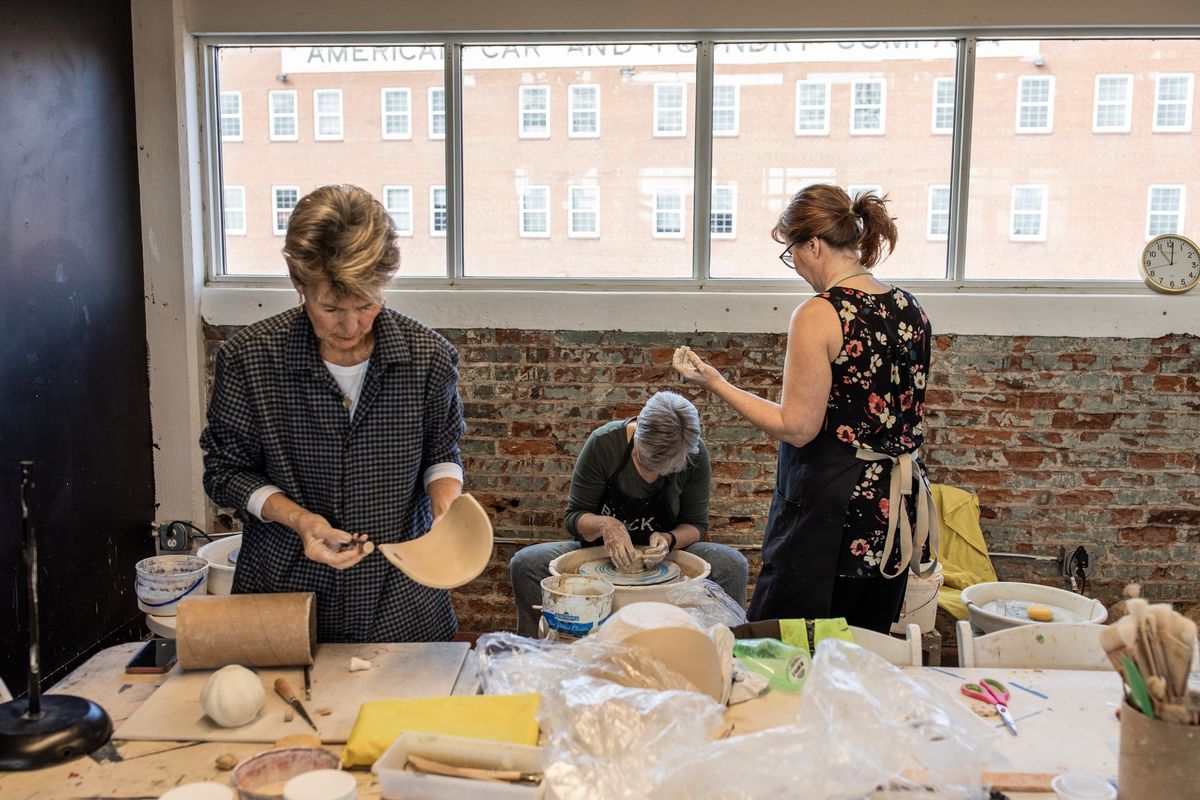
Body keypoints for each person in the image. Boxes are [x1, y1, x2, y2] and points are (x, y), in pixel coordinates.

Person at [200, 184, 466, 643]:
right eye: (330, 308)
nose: (350, 326)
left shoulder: (429, 357)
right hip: (283, 591)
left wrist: (446, 513)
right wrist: (301, 521)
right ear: (297, 282)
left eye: (366, 304)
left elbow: (441, 453)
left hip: (402, 596)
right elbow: (224, 473)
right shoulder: (249, 359)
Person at [674, 185, 937, 633]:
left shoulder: (820, 313)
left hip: (833, 519)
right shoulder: (910, 308)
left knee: (784, 651)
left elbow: (796, 427)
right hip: (894, 512)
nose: (793, 264)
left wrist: (715, 383)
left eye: (791, 252)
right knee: (865, 653)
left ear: (813, 244)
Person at [509, 391, 749, 638]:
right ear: (638, 438)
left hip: (666, 558)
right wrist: (606, 525)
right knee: (526, 563)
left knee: (732, 565)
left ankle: (723, 657)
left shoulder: (693, 453)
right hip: (599, 553)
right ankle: (533, 655)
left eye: (664, 470)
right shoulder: (604, 444)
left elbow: (696, 525)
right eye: (647, 464)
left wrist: (669, 539)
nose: (653, 474)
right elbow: (574, 516)